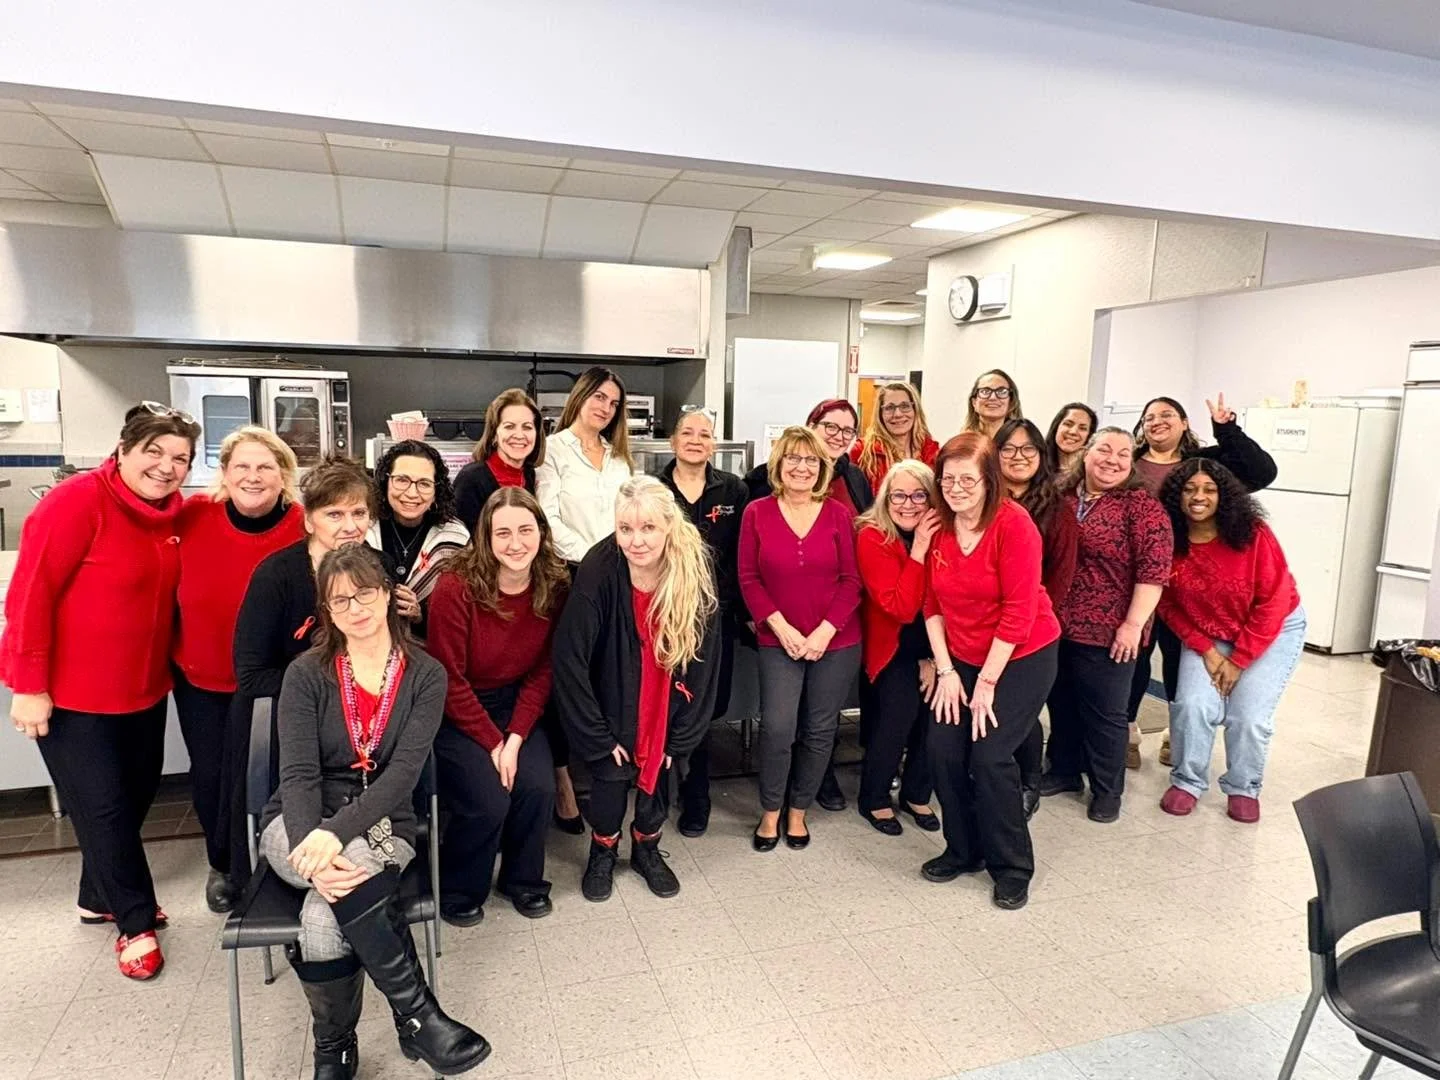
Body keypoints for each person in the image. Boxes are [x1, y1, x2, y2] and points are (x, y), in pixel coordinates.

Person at [257, 544, 490, 1077]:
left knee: (321, 917)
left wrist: (335, 836)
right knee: (343, 886)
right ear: (327, 612)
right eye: (340, 601)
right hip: (293, 822)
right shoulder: (306, 674)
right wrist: (309, 839)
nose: (356, 608)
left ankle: (334, 1049)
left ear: (387, 593)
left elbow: (402, 776)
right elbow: (296, 776)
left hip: (384, 820)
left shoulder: (425, 674)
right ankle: (419, 1018)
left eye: (365, 593)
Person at [2, 402, 199, 980]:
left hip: (142, 691)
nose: (166, 467)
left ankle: (97, 895)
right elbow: (30, 595)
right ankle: (134, 923)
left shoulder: (172, 515)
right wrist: (29, 685)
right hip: (72, 697)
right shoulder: (75, 503)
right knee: (106, 809)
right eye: (154, 452)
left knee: (131, 800)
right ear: (124, 450)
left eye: (180, 458)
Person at [552, 477, 720, 901]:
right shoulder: (600, 567)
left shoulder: (693, 568)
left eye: (648, 528)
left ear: (669, 526)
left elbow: (706, 659)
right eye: (626, 529)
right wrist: (595, 734)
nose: (636, 540)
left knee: (659, 774)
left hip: (667, 694)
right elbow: (570, 659)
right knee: (610, 778)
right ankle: (603, 849)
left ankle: (647, 846)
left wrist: (681, 735)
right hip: (612, 693)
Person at [922, 433, 1060, 910]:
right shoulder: (938, 527)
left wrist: (985, 682)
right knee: (941, 749)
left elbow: (1018, 612)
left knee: (990, 755)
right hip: (959, 655)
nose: (956, 488)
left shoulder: (1013, 525)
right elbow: (931, 604)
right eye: (948, 478)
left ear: (989, 481)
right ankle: (963, 849)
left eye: (968, 479)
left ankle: (1012, 866)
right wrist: (946, 671)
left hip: (1021, 654)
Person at [174, 426, 305, 914]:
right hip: (205, 676)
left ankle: (272, 861)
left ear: (283, 476)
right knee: (213, 776)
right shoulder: (193, 518)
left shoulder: (303, 524)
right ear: (224, 474)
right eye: (242, 467)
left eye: (265, 467)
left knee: (271, 775)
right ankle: (223, 865)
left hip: (275, 682)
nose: (253, 477)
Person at [426, 488, 569, 924]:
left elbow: (544, 670)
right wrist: (493, 743)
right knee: (489, 797)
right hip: (458, 708)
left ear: (541, 534)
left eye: (526, 530)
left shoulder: (555, 585)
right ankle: (460, 885)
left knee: (537, 786)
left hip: (518, 703)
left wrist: (516, 738)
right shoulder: (456, 586)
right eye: (502, 532)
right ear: (485, 538)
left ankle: (522, 881)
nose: (515, 543)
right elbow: (447, 676)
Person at [1126, 393, 1278, 768]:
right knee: (1133, 658)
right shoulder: (1128, 464)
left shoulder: (1205, 463)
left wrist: (1227, 430)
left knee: (1181, 659)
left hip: (1186, 582)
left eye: (1167, 415)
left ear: (1183, 424)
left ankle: (1175, 734)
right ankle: (1126, 733)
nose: (1156, 421)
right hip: (1134, 580)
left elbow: (1262, 473)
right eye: (1149, 417)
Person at [1155, 460, 1305, 823]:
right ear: (1176, 496)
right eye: (1189, 489)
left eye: (1209, 489)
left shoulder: (1252, 533)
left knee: (1248, 717)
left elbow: (1273, 600)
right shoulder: (1167, 538)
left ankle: (1243, 787)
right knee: (1192, 705)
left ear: (1224, 495)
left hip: (1272, 631)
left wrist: (1238, 660)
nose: (1198, 497)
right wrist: (1206, 650)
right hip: (1207, 634)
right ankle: (1187, 781)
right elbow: (1166, 603)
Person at [739, 426, 863, 850]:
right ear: (778, 464)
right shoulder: (756, 512)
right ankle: (770, 812)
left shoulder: (839, 515)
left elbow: (852, 581)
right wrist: (783, 628)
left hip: (837, 641)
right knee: (777, 728)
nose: (802, 467)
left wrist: (825, 631)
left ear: (822, 468)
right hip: (779, 640)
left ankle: (798, 812)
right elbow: (748, 578)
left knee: (819, 729)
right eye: (793, 458)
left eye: (811, 460)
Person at [1041, 428, 1172, 823]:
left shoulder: (1142, 508)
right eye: (1104, 450)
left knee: (1106, 713)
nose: (1112, 460)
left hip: (1111, 630)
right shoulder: (1061, 497)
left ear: (1132, 462)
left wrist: (1133, 625)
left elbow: (1154, 573)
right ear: (1086, 453)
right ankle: (1064, 771)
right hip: (1056, 624)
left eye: (1123, 454)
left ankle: (1106, 790)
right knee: (1060, 703)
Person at [535, 366, 635, 833]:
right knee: (566, 678)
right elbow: (548, 519)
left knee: (610, 676)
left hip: (620, 576)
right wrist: (597, 557)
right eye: (598, 397)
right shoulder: (553, 450)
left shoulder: (619, 458)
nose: (605, 407)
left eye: (613, 403)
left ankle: (608, 774)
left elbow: (630, 514)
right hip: (572, 575)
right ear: (580, 397)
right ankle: (562, 781)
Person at [234, 456, 374, 743]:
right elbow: (252, 676)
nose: (350, 526)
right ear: (309, 521)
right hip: (285, 722)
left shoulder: (379, 567)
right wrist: (338, 687)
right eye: (334, 514)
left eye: (359, 513)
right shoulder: (275, 577)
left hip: (361, 722)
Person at [656, 405, 748, 837]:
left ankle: (698, 793)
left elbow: (744, 555)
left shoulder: (733, 490)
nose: (696, 440)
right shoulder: (653, 490)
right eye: (687, 433)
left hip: (716, 618)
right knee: (660, 703)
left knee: (707, 708)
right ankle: (656, 790)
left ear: (713, 444)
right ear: (673, 442)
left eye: (705, 434)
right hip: (662, 615)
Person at [995, 418, 1081, 818]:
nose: (1018, 457)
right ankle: (995, 776)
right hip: (983, 623)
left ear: (1041, 457)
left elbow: (1061, 577)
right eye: (1008, 449)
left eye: (1027, 449)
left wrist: (1028, 626)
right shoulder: (982, 500)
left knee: (1023, 710)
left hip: (1031, 628)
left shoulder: (1057, 509)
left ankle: (1029, 782)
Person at [854, 460, 941, 836]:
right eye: (899, 495)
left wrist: (936, 659)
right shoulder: (872, 535)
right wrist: (919, 548)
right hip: (892, 648)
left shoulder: (947, 533)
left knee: (936, 720)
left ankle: (916, 794)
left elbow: (952, 598)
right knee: (897, 717)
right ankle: (873, 798)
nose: (909, 504)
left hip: (939, 647)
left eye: (919, 495)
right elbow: (900, 607)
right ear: (885, 497)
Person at [366, 439, 468, 639]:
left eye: (424, 484)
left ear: (436, 490)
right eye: (402, 480)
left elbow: (461, 615)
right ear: (386, 481)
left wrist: (420, 615)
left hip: (427, 650)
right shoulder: (364, 527)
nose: (412, 493)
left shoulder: (454, 537)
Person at [452, 388, 545, 534]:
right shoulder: (471, 479)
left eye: (527, 427)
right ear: (494, 434)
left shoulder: (531, 475)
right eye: (509, 427)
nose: (519, 435)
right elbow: (459, 540)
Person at [850, 381, 939, 495]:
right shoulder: (862, 452)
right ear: (880, 414)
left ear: (915, 410)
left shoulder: (932, 452)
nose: (897, 414)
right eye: (889, 408)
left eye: (905, 406)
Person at [962, 369, 1024, 439]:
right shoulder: (962, 444)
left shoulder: (1023, 444)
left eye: (1001, 391)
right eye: (985, 391)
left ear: (1011, 403)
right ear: (974, 402)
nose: (993, 397)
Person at [1044, 402, 1097, 477]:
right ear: (1056, 427)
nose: (1073, 432)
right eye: (1068, 424)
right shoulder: (1037, 463)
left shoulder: (1093, 472)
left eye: (1082, 428)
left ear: (1089, 435)